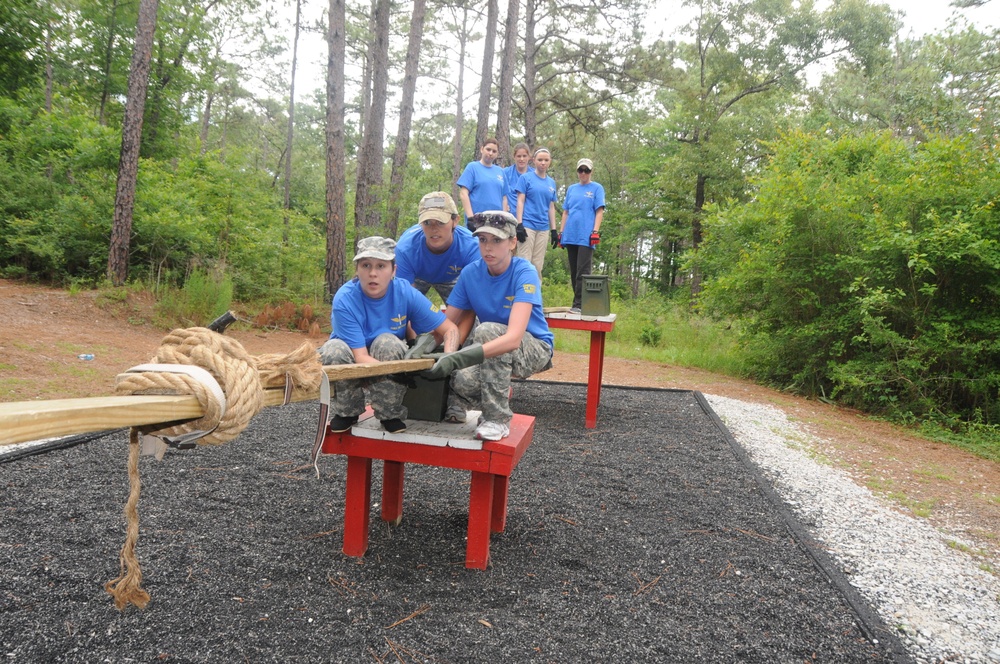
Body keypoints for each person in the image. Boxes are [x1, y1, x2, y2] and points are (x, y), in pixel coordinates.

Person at [422, 211, 554, 441]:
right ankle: (498, 392)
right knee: (462, 380)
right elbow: (446, 324)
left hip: (533, 348)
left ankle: (497, 419)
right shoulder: (470, 274)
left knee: (487, 330)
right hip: (493, 351)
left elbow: (513, 338)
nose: (488, 247)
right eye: (482, 240)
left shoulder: (525, 272)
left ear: (512, 242)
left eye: (496, 240)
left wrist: (460, 357)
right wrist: (420, 347)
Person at [319, 236, 459, 434]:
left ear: (393, 270)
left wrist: (448, 359)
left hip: (384, 353)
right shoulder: (344, 298)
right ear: (357, 269)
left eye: (381, 266)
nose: (373, 273)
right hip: (352, 353)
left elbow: (450, 329)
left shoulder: (405, 291)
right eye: (366, 265)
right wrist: (396, 371)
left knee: (387, 342)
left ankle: (389, 413)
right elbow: (360, 357)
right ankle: (347, 411)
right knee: (333, 350)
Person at [395, 191, 480, 303]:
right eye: (427, 222)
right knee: (400, 307)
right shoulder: (405, 249)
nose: (434, 229)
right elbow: (406, 299)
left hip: (452, 278)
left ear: (455, 221)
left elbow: (475, 294)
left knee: (471, 305)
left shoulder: (472, 247)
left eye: (440, 222)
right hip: (417, 276)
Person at [557, 158, 606, 313]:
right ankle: (577, 302)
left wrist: (595, 231)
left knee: (583, 271)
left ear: (591, 171)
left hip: (586, 235)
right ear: (577, 171)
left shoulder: (597, 188)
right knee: (573, 271)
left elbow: (599, 211)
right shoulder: (572, 189)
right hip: (571, 233)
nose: (583, 173)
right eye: (581, 170)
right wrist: (561, 232)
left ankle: (579, 304)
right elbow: (566, 212)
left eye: (586, 170)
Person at [514, 147, 558, 276]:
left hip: (543, 228)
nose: (543, 163)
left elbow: (551, 206)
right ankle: (521, 287)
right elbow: (520, 201)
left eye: (546, 160)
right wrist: (519, 224)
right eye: (540, 160)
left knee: (537, 265)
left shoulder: (551, 183)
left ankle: (535, 288)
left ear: (550, 161)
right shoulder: (525, 178)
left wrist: (554, 230)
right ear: (534, 160)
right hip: (528, 225)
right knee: (524, 262)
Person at [457, 137, 507, 223]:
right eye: (488, 149)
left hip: (496, 222)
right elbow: (463, 193)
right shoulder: (472, 167)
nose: (490, 153)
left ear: (497, 154)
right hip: (477, 220)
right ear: (482, 149)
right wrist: (470, 218)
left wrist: (504, 218)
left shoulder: (500, 171)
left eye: (494, 151)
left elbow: (504, 198)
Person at [503, 142, 531, 216]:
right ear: (514, 157)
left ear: (529, 157)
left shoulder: (534, 174)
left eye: (524, 156)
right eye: (519, 156)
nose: (521, 159)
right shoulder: (506, 173)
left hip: (528, 217)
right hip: (510, 216)